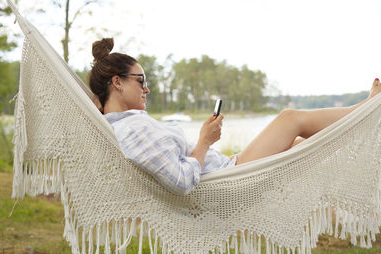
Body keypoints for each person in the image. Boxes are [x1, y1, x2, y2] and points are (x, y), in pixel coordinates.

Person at [89, 37, 381, 195]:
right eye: (140, 80)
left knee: (304, 145)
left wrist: (204, 142)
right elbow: (180, 180)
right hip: (231, 178)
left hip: (230, 169)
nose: (147, 89)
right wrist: (204, 141)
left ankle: (360, 124)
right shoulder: (132, 128)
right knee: (291, 118)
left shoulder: (126, 124)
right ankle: (365, 112)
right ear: (117, 82)